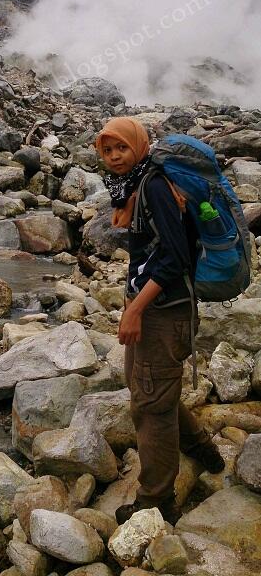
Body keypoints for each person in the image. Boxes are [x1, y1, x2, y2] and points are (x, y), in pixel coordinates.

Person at [95, 116, 224, 525]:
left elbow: (174, 257)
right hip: (150, 302)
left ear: (139, 146)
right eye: (107, 149)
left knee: (151, 405)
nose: (115, 157)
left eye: (122, 148)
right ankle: (201, 447)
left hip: (164, 311)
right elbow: (146, 249)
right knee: (147, 389)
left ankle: (156, 499)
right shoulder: (134, 182)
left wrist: (134, 309)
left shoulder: (153, 186)